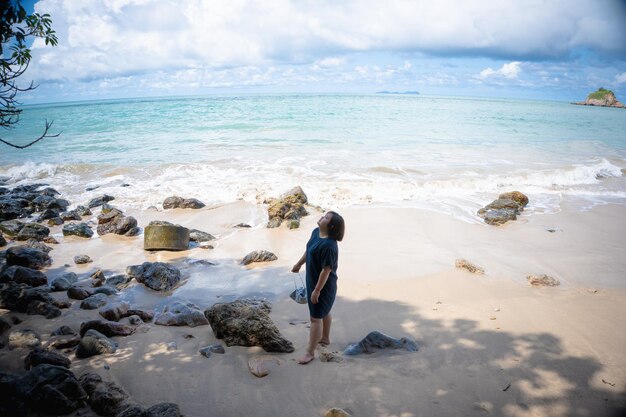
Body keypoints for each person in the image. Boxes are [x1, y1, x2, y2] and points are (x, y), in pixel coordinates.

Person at [291, 211, 345, 365]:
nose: (322, 217)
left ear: (331, 226)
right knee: (324, 311)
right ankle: (325, 338)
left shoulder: (329, 245)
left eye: (326, 218)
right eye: (324, 215)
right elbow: (309, 249)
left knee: (315, 318)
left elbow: (326, 270)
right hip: (312, 280)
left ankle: (309, 353)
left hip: (323, 285)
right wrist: (299, 263)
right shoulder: (316, 232)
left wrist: (317, 290)